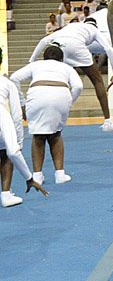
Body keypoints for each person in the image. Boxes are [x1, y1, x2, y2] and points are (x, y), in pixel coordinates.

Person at [28, 18, 113, 133]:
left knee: (56, 81)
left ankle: (48, 117)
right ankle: (108, 121)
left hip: (60, 46)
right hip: (77, 46)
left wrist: (31, 61)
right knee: (97, 81)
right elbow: (108, 48)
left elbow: (44, 40)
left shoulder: (70, 26)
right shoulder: (93, 29)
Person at [10, 45, 83, 185]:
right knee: (56, 134)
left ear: (44, 58)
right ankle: (60, 174)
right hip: (61, 94)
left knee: (38, 136)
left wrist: (21, 102)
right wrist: (70, 100)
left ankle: (37, 175)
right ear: (62, 59)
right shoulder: (67, 68)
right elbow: (78, 86)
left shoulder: (36, 65)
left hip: (37, 94)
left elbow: (14, 78)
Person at [0, 48, 48, 207]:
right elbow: (16, 116)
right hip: (2, 118)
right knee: (7, 152)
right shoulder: (7, 83)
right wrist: (29, 178)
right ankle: (6, 194)